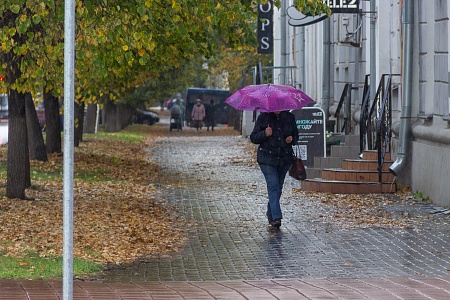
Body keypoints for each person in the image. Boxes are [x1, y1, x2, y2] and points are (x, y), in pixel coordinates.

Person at [250, 110, 299, 228]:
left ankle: (270, 214)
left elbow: (296, 136)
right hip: (267, 159)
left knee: (278, 188)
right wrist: (265, 134)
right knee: (273, 186)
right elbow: (254, 137)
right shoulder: (264, 118)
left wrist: (291, 139)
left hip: (284, 159)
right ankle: (277, 217)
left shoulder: (289, 117)